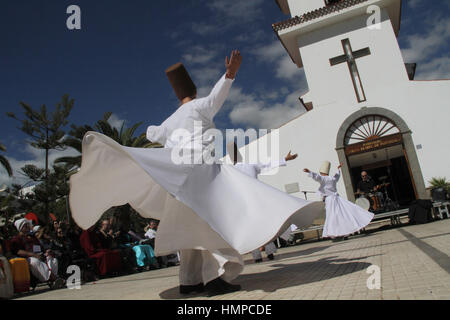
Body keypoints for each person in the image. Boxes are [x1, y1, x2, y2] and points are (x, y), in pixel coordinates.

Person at [69, 50, 323, 296]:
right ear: (193, 90)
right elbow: (216, 98)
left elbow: (153, 133)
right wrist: (230, 74)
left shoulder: (169, 121)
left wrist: (155, 132)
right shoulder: (200, 107)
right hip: (203, 175)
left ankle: (189, 283)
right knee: (215, 226)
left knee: (189, 235)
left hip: (179, 184)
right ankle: (215, 278)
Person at [227, 141, 298, 263]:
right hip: (256, 201)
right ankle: (268, 253)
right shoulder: (247, 166)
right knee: (264, 227)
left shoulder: (230, 170)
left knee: (254, 230)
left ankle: (258, 256)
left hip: (245, 204)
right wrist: (285, 159)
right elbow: (267, 165)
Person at [304, 162, 374, 239]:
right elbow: (337, 176)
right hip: (337, 199)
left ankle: (336, 233)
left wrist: (310, 172)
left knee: (333, 217)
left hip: (330, 200)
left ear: (322, 172)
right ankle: (343, 232)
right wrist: (338, 169)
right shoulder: (332, 178)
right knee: (343, 214)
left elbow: (317, 177)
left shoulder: (324, 178)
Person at [9, 218, 64, 289]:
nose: (28, 227)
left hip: (39, 255)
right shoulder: (17, 239)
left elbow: (40, 247)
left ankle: (53, 280)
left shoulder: (32, 237)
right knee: (35, 262)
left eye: (28, 225)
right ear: (20, 228)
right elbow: (18, 251)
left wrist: (46, 252)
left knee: (52, 259)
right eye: (25, 226)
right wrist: (34, 255)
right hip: (28, 257)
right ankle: (53, 278)